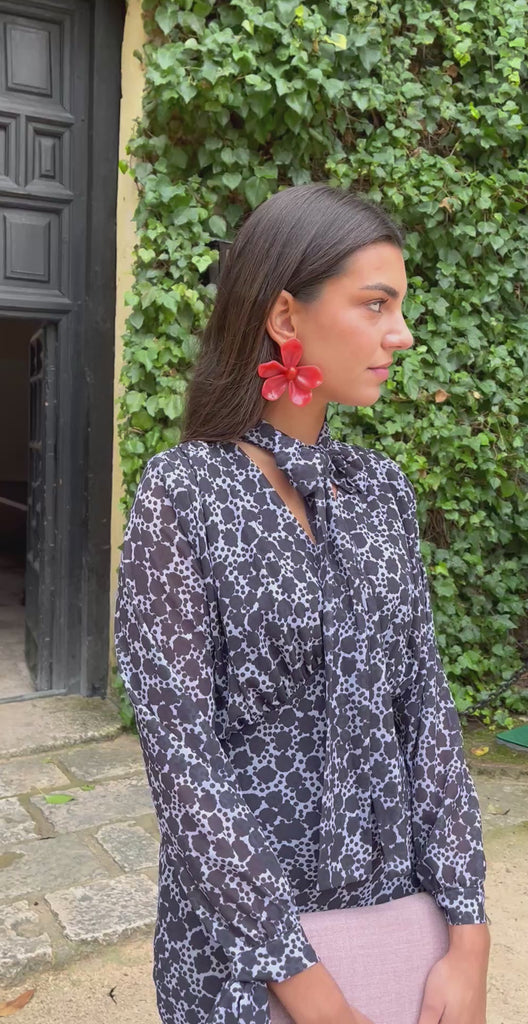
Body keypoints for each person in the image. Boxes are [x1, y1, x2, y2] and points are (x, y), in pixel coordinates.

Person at [114, 183, 490, 1024]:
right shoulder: (185, 494)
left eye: (399, 307)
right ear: (286, 316)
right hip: (241, 957)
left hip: (394, 924)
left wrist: (468, 936)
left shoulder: (380, 490)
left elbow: (426, 713)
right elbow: (183, 761)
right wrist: (306, 985)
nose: (402, 332)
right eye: (376, 304)